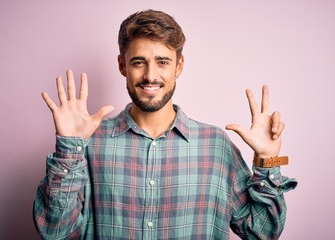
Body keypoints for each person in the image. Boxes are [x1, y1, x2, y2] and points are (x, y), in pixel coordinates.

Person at [33, 9, 297, 240]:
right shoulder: (89, 143)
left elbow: (262, 232)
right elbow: (55, 232)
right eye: (139, 62)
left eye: (162, 62)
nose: (150, 75)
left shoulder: (216, 147)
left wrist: (267, 160)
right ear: (122, 65)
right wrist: (70, 149)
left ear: (179, 66)